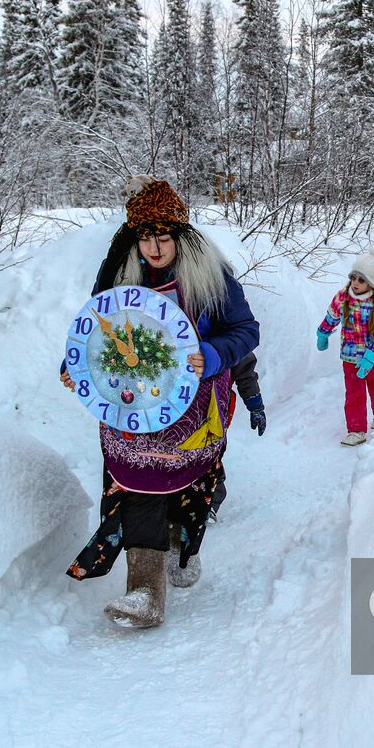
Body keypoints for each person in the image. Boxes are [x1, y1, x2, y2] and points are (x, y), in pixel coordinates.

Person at [61, 177, 260, 629]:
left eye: (163, 237)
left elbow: (246, 330)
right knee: (136, 482)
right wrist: (74, 366)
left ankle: (179, 541)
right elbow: (97, 326)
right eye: (145, 237)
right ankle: (145, 592)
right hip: (131, 408)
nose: (153, 247)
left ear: (180, 236)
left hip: (192, 408)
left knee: (184, 486)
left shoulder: (212, 275)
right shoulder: (119, 271)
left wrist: (212, 355)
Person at [316, 245, 374, 447]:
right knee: (354, 395)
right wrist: (323, 332)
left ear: (372, 282)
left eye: (361, 280)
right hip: (350, 357)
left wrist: (371, 356)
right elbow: (332, 316)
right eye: (353, 277)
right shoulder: (343, 297)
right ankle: (356, 430)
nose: (355, 283)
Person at [206, 352, 264, 526]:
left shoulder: (225, 330)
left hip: (213, 408)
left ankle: (209, 502)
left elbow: (244, 370)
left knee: (210, 455)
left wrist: (256, 405)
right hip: (174, 407)